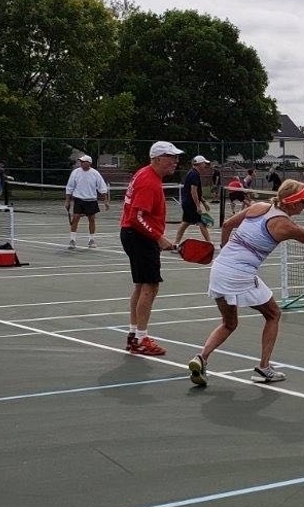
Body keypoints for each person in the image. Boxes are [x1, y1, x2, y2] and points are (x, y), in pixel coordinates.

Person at [187, 180, 304, 386]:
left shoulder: (258, 207)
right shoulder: (287, 226)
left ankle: (201, 358)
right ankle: (263, 368)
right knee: (273, 314)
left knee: (229, 323)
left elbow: (227, 225)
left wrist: (225, 248)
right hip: (239, 274)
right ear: (291, 203)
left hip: (219, 269)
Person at [120, 141, 182, 356]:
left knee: (141, 286)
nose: (175, 161)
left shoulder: (147, 174)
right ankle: (140, 338)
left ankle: (134, 335)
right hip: (139, 236)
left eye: (175, 157)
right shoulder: (149, 181)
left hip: (135, 235)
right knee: (150, 286)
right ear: (156, 159)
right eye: (170, 157)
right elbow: (136, 217)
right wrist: (158, 238)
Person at [64, 155, 110, 249]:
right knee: (75, 218)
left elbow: (102, 187)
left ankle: (91, 240)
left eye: (83, 162)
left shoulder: (95, 173)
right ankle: (72, 240)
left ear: (89, 163)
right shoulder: (75, 173)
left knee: (92, 219)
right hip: (79, 200)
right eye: (81, 162)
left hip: (91, 200)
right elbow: (70, 187)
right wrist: (67, 201)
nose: (81, 163)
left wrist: (105, 201)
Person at [175, 155, 213, 243]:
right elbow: (193, 191)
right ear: (199, 164)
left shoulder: (193, 173)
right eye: (204, 163)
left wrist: (203, 202)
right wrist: (198, 206)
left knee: (186, 223)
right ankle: (209, 243)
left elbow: (197, 192)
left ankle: (176, 243)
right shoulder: (194, 174)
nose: (205, 166)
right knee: (201, 223)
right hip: (190, 204)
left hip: (188, 203)